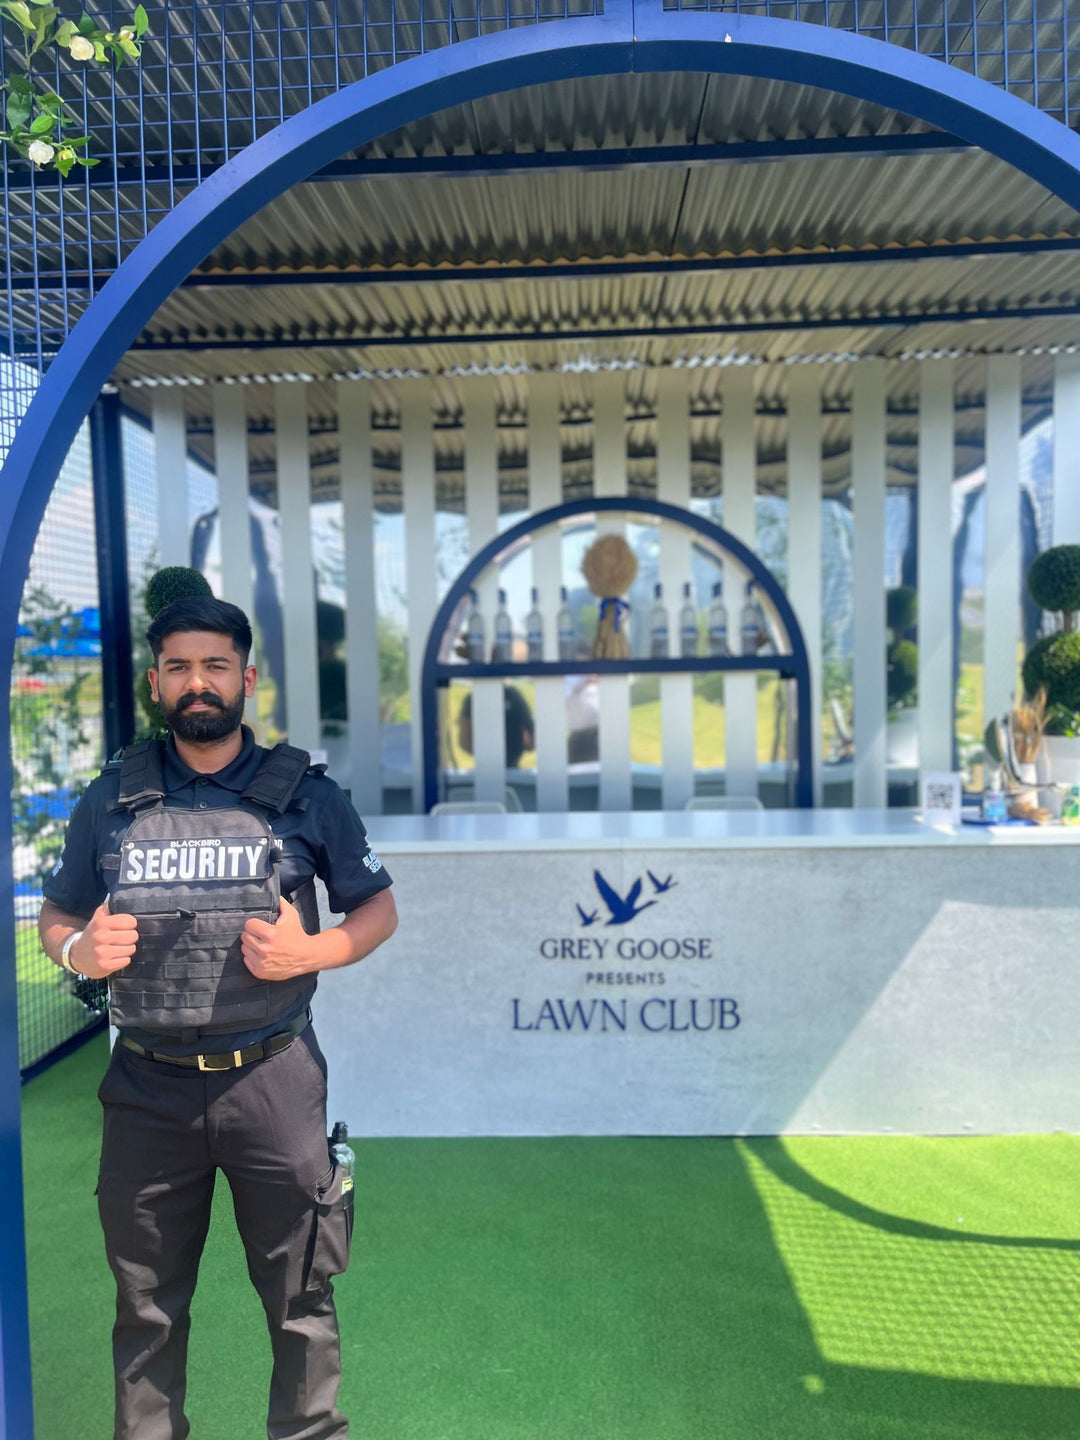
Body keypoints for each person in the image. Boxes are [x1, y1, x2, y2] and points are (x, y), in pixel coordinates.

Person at [38, 595, 397, 1440]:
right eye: (177, 667)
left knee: (301, 1298)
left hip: (274, 1080)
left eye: (214, 665)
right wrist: (76, 954)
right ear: (157, 682)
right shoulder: (112, 799)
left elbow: (377, 910)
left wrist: (316, 952)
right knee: (145, 1309)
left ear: (246, 677)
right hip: (147, 1089)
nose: (197, 682)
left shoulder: (305, 796)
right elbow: (58, 915)